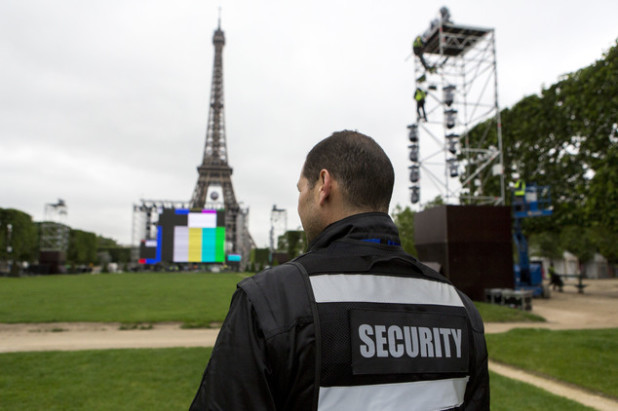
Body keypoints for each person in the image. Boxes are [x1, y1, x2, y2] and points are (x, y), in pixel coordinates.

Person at [189, 130, 489, 410]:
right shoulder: (460, 308)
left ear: (323, 185)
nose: (300, 201)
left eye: (301, 189)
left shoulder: (270, 300)